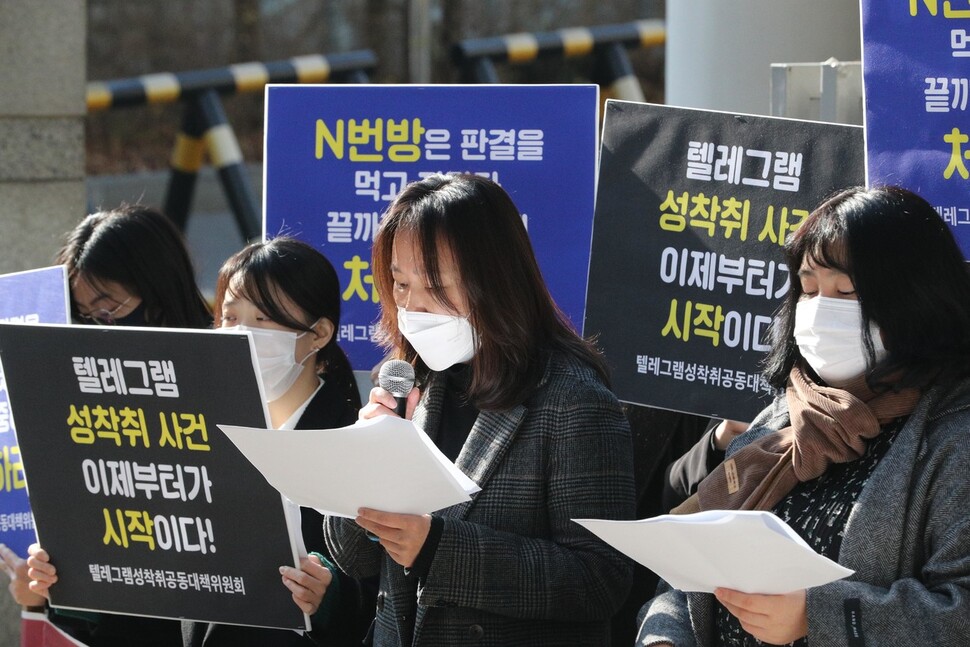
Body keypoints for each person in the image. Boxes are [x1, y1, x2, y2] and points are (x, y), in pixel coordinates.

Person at [637, 185, 970, 646]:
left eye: (846, 290)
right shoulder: (781, 416)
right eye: (808, 288)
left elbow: (961, 610)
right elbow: (687, 577)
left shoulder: (954, 437)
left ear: (917, 297)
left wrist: (819, 615)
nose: (818, 309)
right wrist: (665, 637)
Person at [324, 173, 636, 646]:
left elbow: (599, 580)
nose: (412, 306)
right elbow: (358, 561)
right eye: (400, 283)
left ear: (493, 279)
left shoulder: (574, 401)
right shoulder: (414, 378)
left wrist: (436, 548)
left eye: (432, 285)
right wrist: (360, 469)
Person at [4, 204, 210, 646]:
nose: (97, 329)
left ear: (157, 294)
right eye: (82, 316)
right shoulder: (66, 395)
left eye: (108, 310)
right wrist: (38, 590)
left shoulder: (221, 377)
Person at [184, 236, 375, 646]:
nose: (242, 333)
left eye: (264, 319)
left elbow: (380, 592)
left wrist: (328, 597)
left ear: (318, 334)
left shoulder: (355, 445)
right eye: (231, 318)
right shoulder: (198, 432)